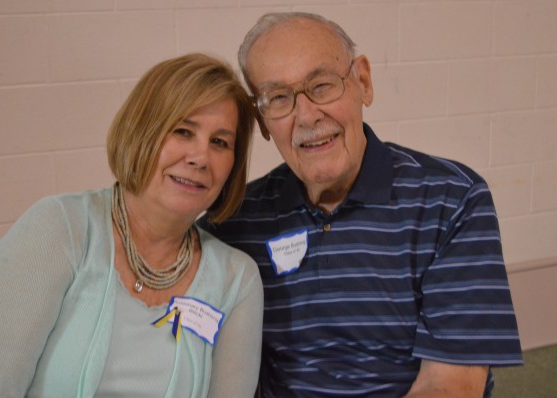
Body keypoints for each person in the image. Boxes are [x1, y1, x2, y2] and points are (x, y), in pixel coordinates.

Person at [198, 12, 523, 397]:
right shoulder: (237, 222)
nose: (306, 115)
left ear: (363, 83)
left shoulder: (451, 200)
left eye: (321, 86)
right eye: (279, 98)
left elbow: (449, 387)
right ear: (263, 121)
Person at [0, 53, 263, 398]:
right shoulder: (59, 229)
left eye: (219, 142)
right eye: (183, 131)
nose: (200, 157)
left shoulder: (237, 280)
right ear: (142, 132)